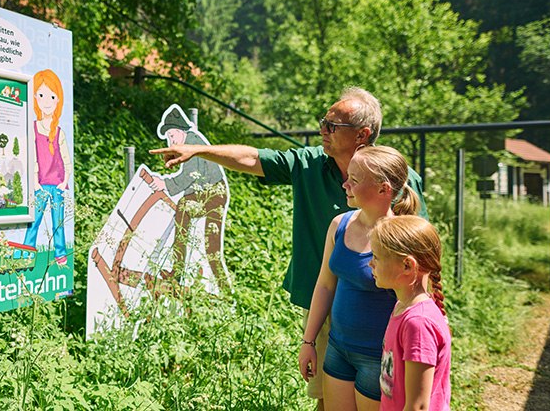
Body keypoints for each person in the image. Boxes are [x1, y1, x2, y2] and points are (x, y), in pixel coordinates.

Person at [151, 87, 428, 408]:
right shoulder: (308, 163)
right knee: (327, 398)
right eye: (323, 122)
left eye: (332, 126)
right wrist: (199, 150)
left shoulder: (399, 179)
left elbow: (419, 258)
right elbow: (254, 157)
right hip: (327, 309)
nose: (322, 131)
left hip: (383, 312)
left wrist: (425, 320)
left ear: (362, 134)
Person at [298, 146, 420, 411]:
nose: (345, 184)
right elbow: (325, 285)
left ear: (382, 189)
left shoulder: (402, 239)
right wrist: (308, 342)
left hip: (379, 358)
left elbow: (418, 306)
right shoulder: (338, 224)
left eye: (354, 179)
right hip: (338, 351)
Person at [369, 215, 451, 411]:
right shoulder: (402, 306)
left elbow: (418, 406)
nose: (370, 264)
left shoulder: (418, 323)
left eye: (376, 258)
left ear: (407, 265)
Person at [148, 105, 230, 289]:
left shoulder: (193, 143)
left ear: (179, 132)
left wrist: (165, 184)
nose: (170, 141)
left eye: (171, 136)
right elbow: (193, 179)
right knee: (184, 209)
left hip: (214, 194)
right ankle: (178, 272)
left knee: (212, 247)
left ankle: (223, 289)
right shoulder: (190, 142)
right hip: (205, 192)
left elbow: (189, 176)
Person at [23, 69, 73, 265]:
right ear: (35, 96)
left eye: (51, 96)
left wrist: (65, 181)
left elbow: (66, 159)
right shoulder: (34, 127)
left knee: (58, 223)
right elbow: (33, 157)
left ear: (58, 100)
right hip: (41, 184)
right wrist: (35, 182)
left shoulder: (59, 132)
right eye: (42, 95)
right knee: (34, 221)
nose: (46, 101)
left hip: (57, 184)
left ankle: (60, 254)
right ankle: (26, 253)